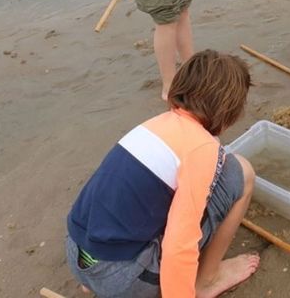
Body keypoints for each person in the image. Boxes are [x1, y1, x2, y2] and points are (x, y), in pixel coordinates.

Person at [66, 50, 260, 298]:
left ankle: (93, 282)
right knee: (241, 172)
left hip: (76, 253)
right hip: (121, 279)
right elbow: (180, 245)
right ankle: (208, 280)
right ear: (230, 111)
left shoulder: (155, 124)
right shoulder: (202, 148)